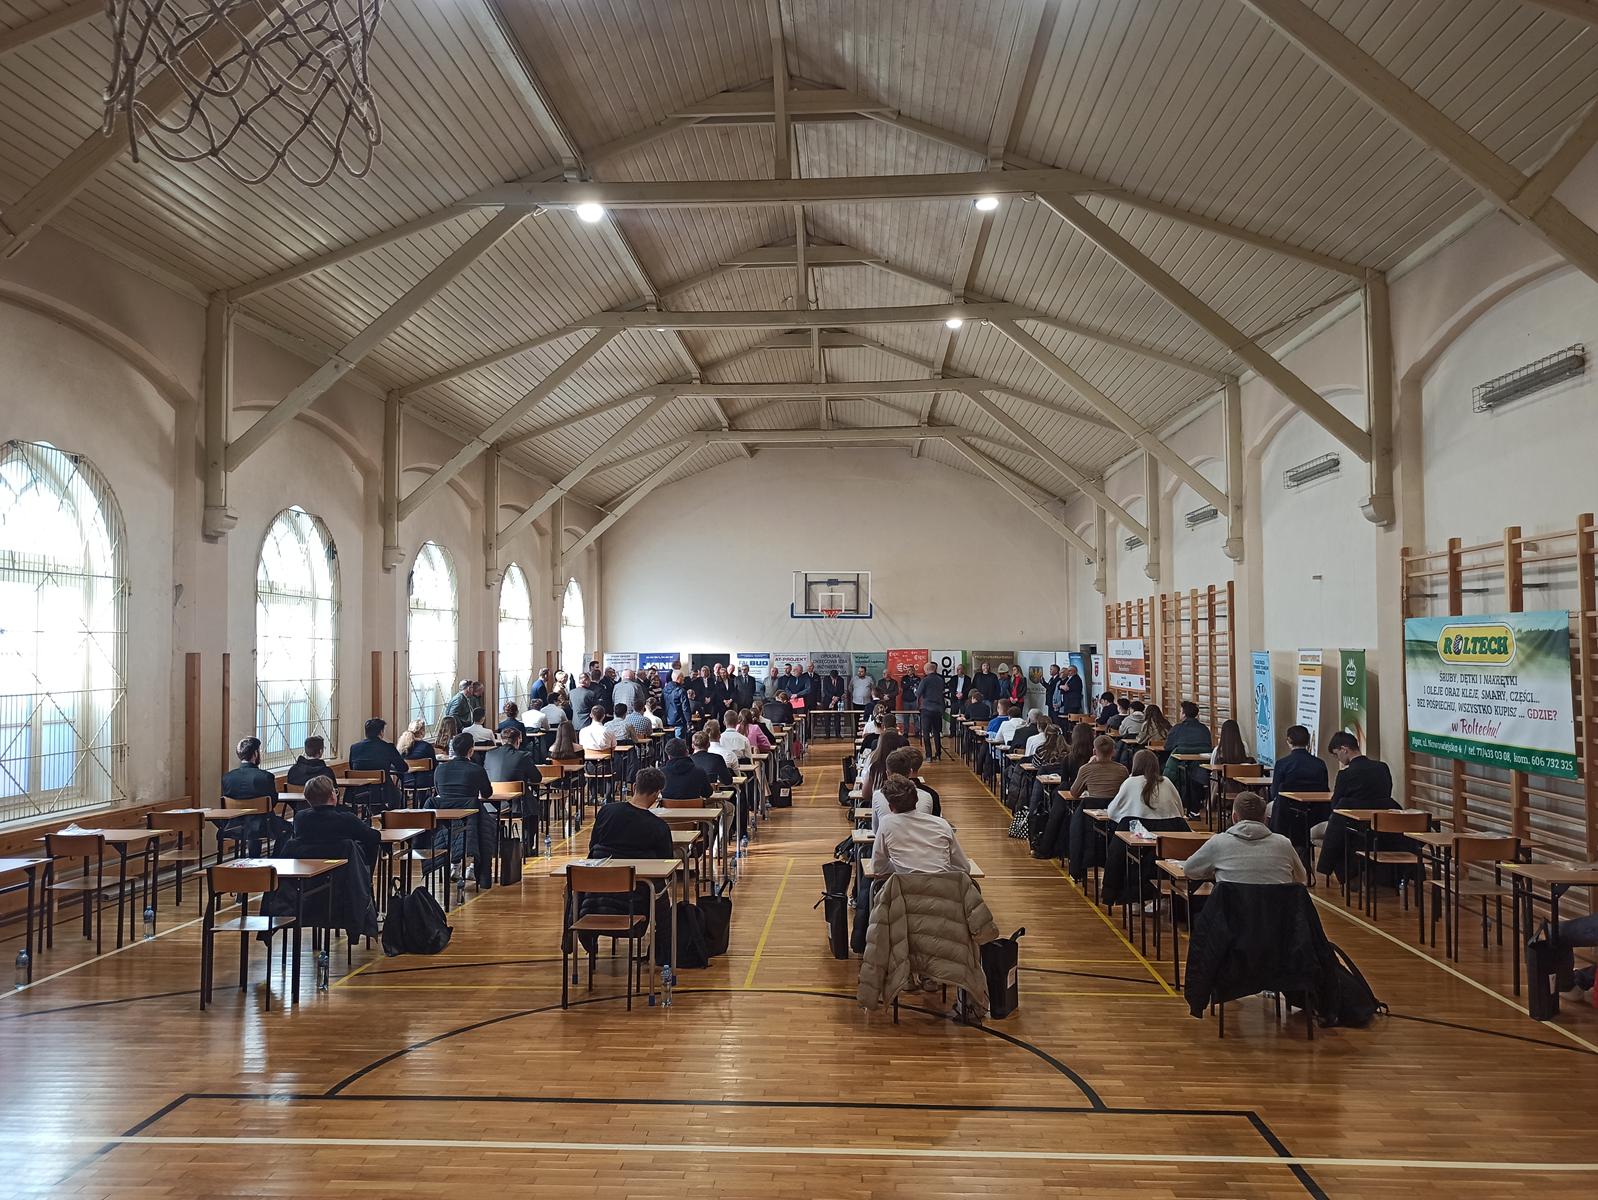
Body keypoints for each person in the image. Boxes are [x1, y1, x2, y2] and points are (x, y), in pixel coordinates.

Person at [1314, 731, 1397, 880]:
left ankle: (1346, 873)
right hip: (1382, 827)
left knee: (1315, 833)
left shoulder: (1345, 775)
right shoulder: (1382, 768)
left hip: (1351, 827)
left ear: (1344, 749)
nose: (1338, 759)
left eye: (1336, 754)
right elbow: (1387, 793)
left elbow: (1335, 805)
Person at [1184, 792, 1307, 885]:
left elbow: (1189, 870)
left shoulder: (1218, 842)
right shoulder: (1284, 844)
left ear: (1234, 817)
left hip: (1232, 911)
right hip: (1277, 911)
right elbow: (1301, 878)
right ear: (1265, 819)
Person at [871, 776, 972, 879]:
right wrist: (941, 868)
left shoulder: (887, 823)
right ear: (916, 800)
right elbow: (964, 867)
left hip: (906, 887)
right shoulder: (941, 824)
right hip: (942, 886)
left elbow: (878, 868)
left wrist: (898, 866)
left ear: (890, 807)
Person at [432, 731, 495, 888]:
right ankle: (473, 866)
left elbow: (439, 792)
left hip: (444, 818)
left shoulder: (440, 769)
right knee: (487, 826)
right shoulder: (476, 769)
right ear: (471, 750)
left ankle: (455, 865)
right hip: (470, 815)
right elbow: (487, 793)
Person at [292, 774, 380, 866]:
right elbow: (373, 837)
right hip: (343, 870)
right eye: (335, 791)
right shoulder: (347, 819)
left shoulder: (300, 818)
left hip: (308, 868)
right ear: (332, 796)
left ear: (307, 799)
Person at [1269, 724, 1330, 837]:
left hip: (1286, 817)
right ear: (1308, 741)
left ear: (1289, 740)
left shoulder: (1282, 764)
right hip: (1316, 815)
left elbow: (1274, 793)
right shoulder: (1320, 764)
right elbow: (1325, 791)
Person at [1107, 749, 1185, 823]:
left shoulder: (1130, 782)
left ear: (1135, 765)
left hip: (1138, 828)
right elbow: (1180, 811)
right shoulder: (1166, 781)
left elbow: (1112, 811)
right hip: (1168, 828)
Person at [917, 659, 946, 760]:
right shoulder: (940, 680)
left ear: (927, 670)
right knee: (936, 732)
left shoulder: (925, 680)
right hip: (938, 709)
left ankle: (928, 755)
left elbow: (918, 693)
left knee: (926, 733)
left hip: (926, 709)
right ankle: (938, 754)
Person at [662, 669, 691, 740]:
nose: (684, 678)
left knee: (670, 743)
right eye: (682, 676)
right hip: (679, 721)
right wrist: (689, 721)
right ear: (678, 678)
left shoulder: (664, 690)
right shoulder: (681, 691)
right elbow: (685, 708)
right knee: (680, 743)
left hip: (667, 721)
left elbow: (662, 704)